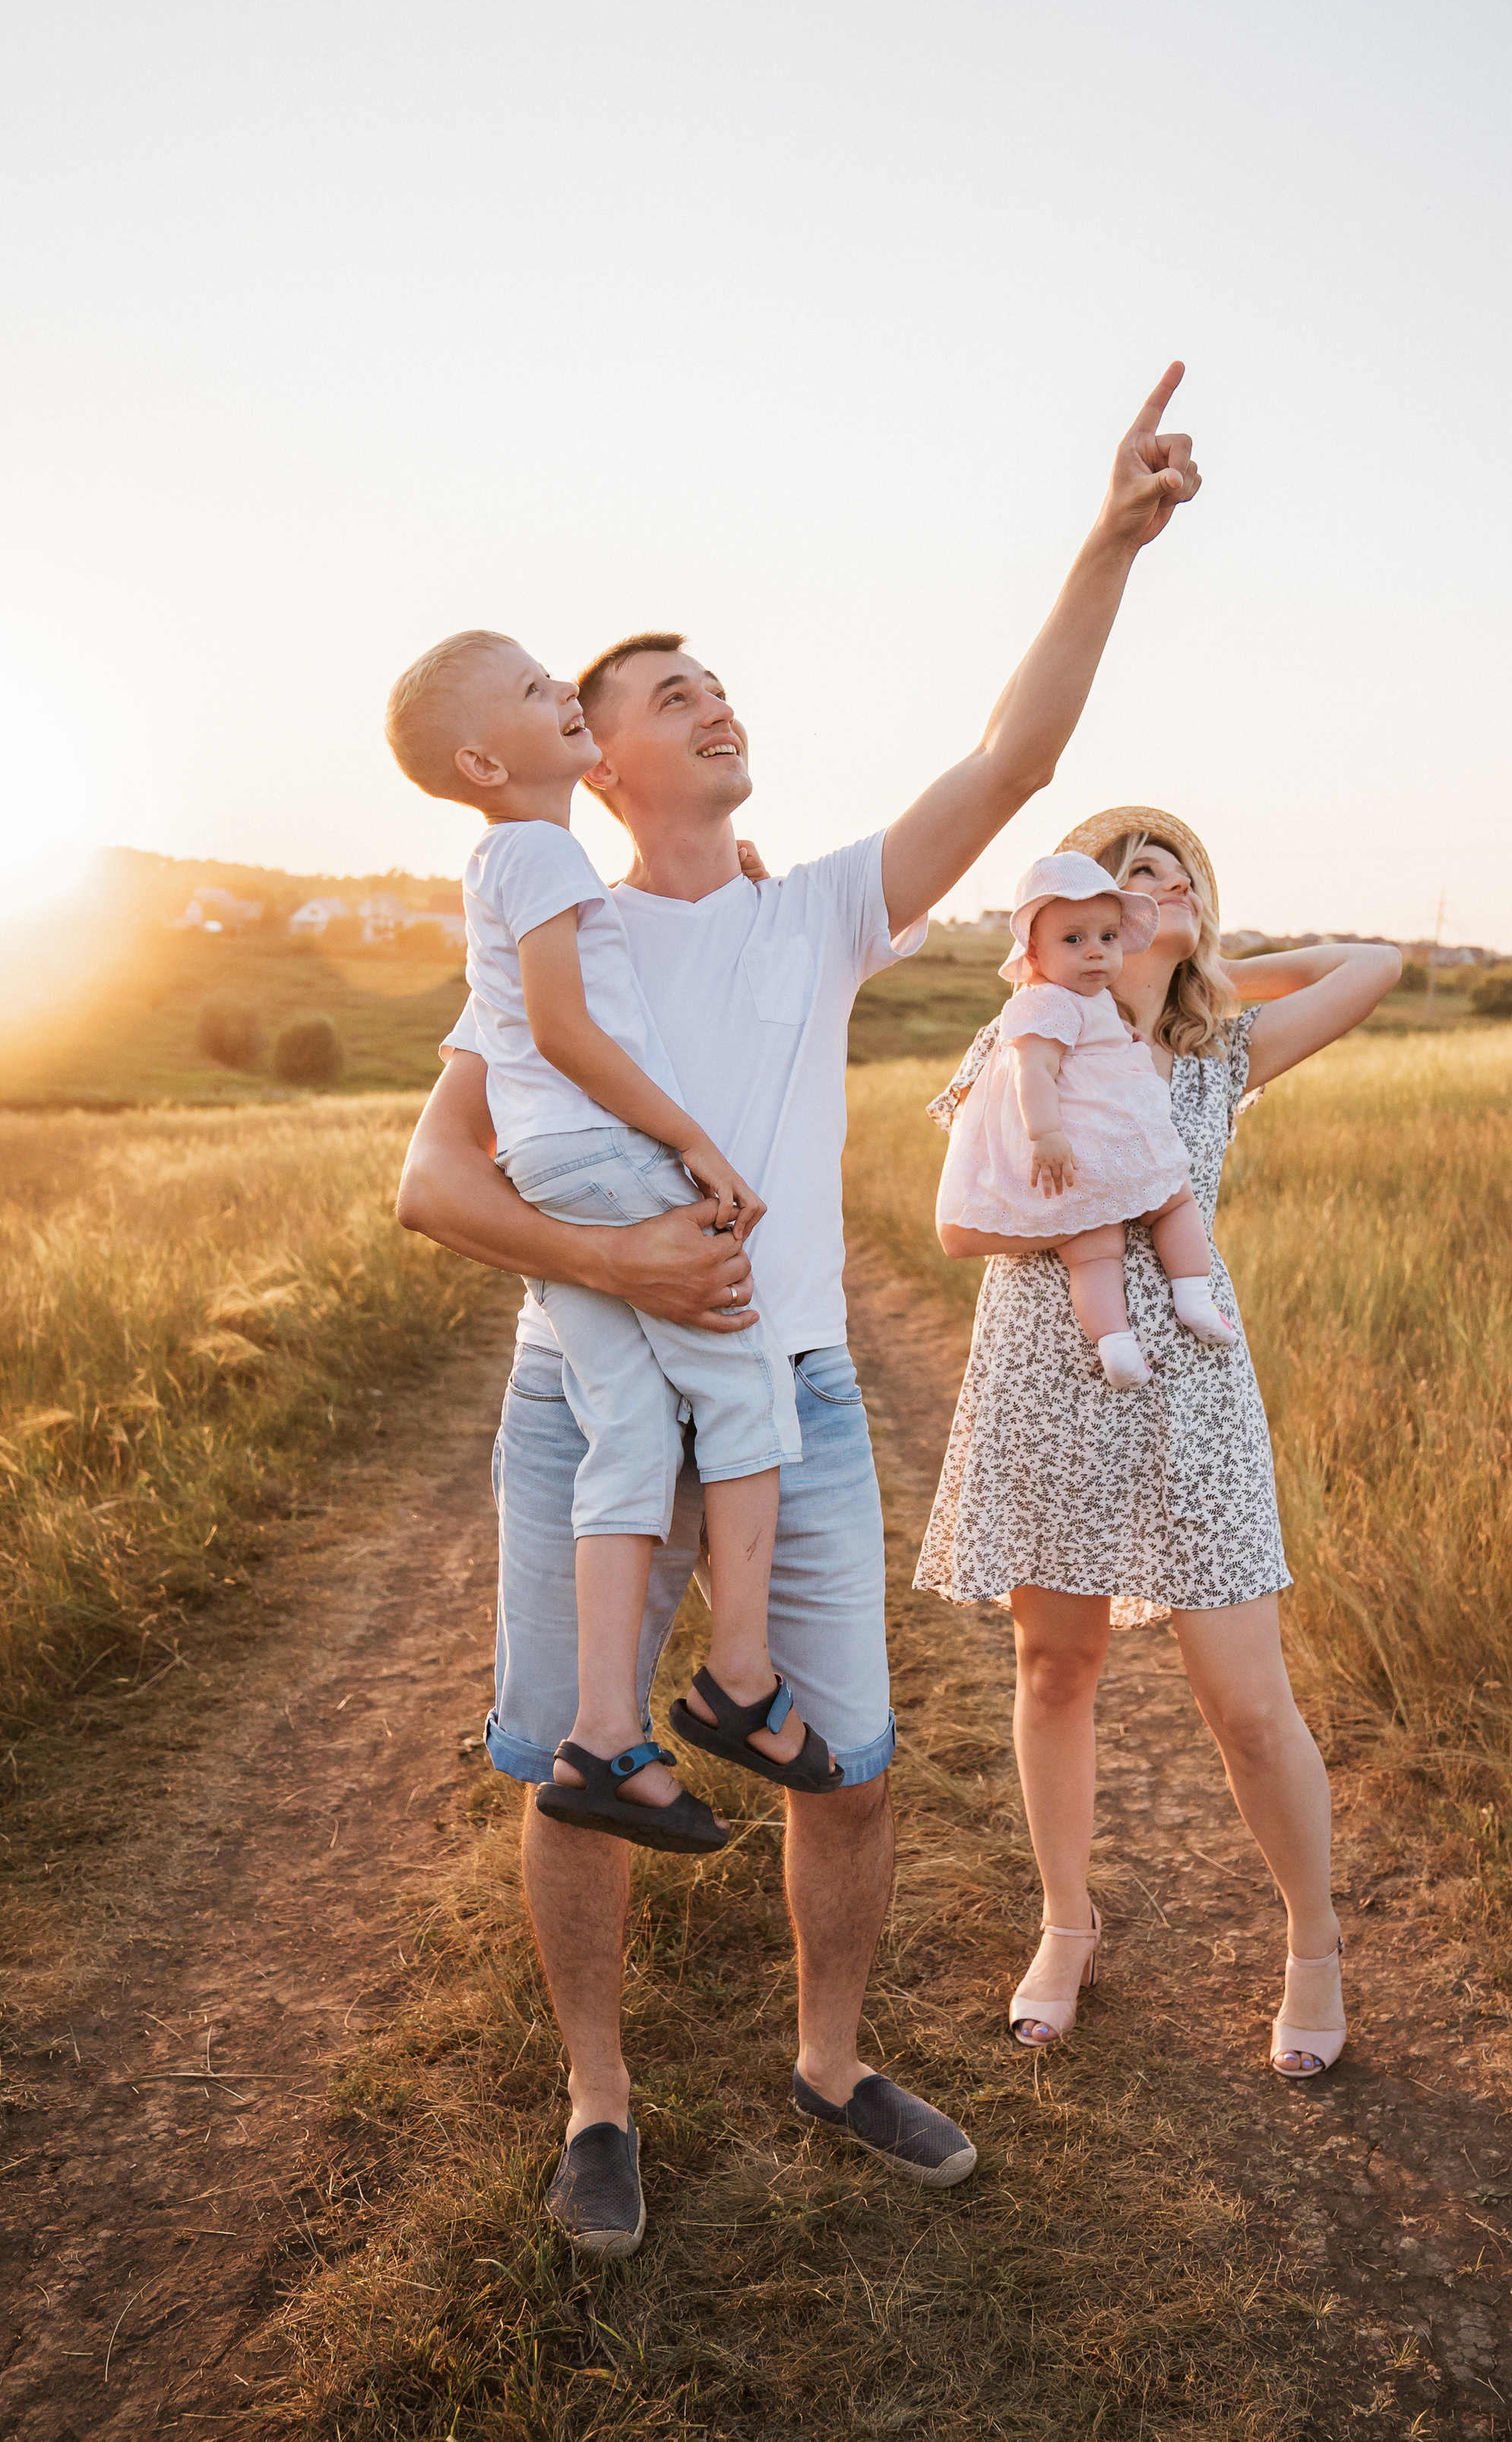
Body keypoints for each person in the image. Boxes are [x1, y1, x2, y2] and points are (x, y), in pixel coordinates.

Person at [394, 371, 1201, 2255]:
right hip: (579, 1402)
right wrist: (619, 1260)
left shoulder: (814, 909)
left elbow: (1008, 761)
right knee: (567, 1762)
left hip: (798, 1390)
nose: (716, 702)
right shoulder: (542, 949)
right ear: (590, 757)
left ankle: (829, 2060)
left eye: (719, 681)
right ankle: (598, 2097)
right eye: (672, 694)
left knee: (841, 1756)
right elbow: (429, 1187)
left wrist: (1106, 538)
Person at [914, 809, 1400, 2077]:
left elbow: (1375, 964)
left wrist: (1211, 963)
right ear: (1078, 913)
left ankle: (1313, 1944)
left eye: (1180, 868)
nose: (1163, 877)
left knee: (1247, 1705)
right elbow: (965, 1216)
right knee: (1055, 1669)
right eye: (1132, 870)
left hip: (1192, 1387)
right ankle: (1065, 1929)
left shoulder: (1220, 1053)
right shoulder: (1017, 1033)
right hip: (1043, 1369)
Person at [384, 629, 838, 1854]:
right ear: (484, 759)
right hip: (592, 1157)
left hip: (547, 1167)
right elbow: (569, 1033)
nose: (559, 693)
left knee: (630, 1426)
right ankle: (738, 1682)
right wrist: (696, 1144)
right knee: (744, 1378)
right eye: (538, 690)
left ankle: (599, 1739)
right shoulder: (539, 852)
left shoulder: (519, 855)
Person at [934, 849, 1238, 1389]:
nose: (1095, 953)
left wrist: (1130, 1040)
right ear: (1032, 951)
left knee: (1094, 1254)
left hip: (1083, 1170)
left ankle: (1116, 1345)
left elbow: (1095, 1051)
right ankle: (1193, 1295)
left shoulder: (1089, 1003)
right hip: (1094, 1153)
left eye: (1107, 938)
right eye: (1073, 940)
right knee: (1176, 1201)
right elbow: (1032, 1071)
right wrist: (1045, 1135)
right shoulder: (1041, 1004)